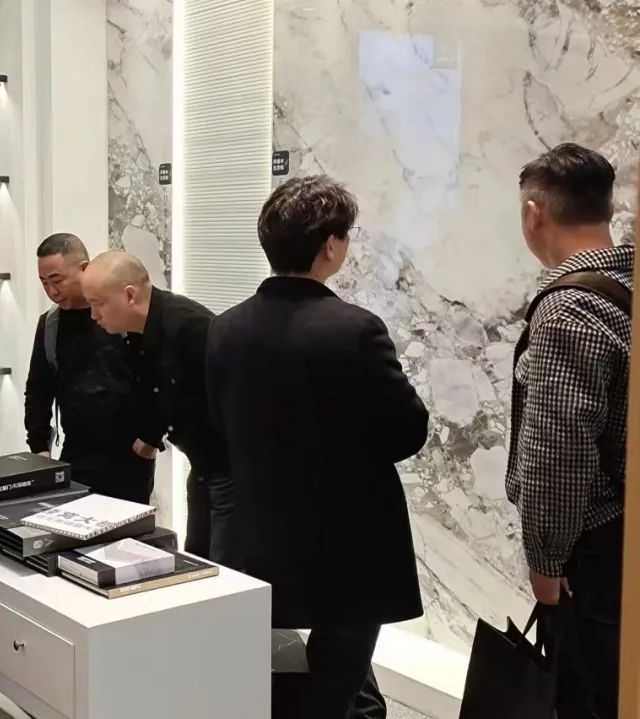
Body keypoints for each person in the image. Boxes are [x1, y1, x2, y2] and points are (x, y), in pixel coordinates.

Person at [206, 175, 428, 719]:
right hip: (350, 540)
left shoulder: (225, 328)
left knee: (301, 677)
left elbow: (220, 424)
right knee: (336, 676)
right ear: (330, 246)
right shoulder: (355, 329)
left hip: (262, 527)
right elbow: (407, 429)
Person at [507, 143, 631, 719]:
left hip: (595, 554)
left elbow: (557, 457)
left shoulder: (567, 312)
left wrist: (546, 565)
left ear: (534, 214)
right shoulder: (626, 284)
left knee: (586, 697)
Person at [80, 251, 233, 562]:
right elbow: (155, 387)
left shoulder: (191, 327)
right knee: (198, 556)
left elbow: (230, 399)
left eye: (98, 304)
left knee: (224, 565)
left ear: (130, 295)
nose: (94, 316)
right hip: (202, 464)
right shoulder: (138, 333)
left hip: (230, 469)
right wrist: (151, 433)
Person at [24, 234, 153, 502]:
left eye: (57, 280)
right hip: (76, 452)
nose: (52, 291)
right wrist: (39, 448)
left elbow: (157, 377)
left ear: (84, 269)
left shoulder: (124, 314)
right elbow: (38, 389)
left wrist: (151, 437)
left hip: (130, 457)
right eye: (44, 283)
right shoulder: (51, 324)